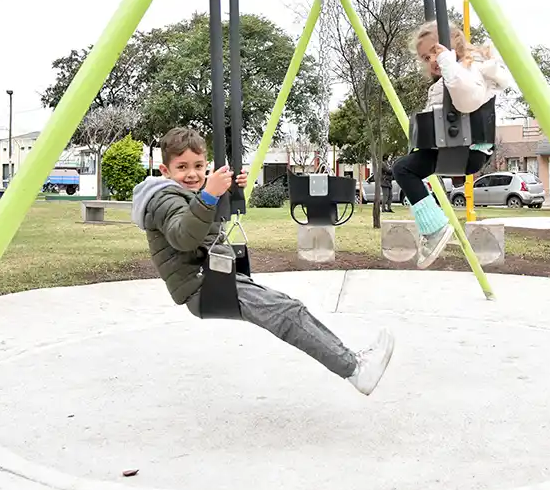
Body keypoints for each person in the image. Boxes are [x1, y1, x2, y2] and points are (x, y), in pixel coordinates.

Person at [131, 127, 395, 395]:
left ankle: (352, 363)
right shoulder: (164, 200)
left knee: (290, 309)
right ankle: (355, 370)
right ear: (165, 170)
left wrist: (228, 191)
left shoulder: (182, 193)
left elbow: (201, 220)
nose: (192, 174)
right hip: (203, 287)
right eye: (182, 167)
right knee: (288, 313)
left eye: (199, 166)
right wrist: (209, 194)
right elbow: (184, 236)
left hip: (211, 280)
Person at [392, 22, 512, 269]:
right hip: (456, 149)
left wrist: (446, 61)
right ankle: (433, 227)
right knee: (404, 166)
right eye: (426, 58)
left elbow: (467, 100)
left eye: (434, 52)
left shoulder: (470, 70)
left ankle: (434, 228)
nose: (432, 60)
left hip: (468, 150)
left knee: (403, 169)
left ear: (452, 44)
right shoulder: (450, 77)